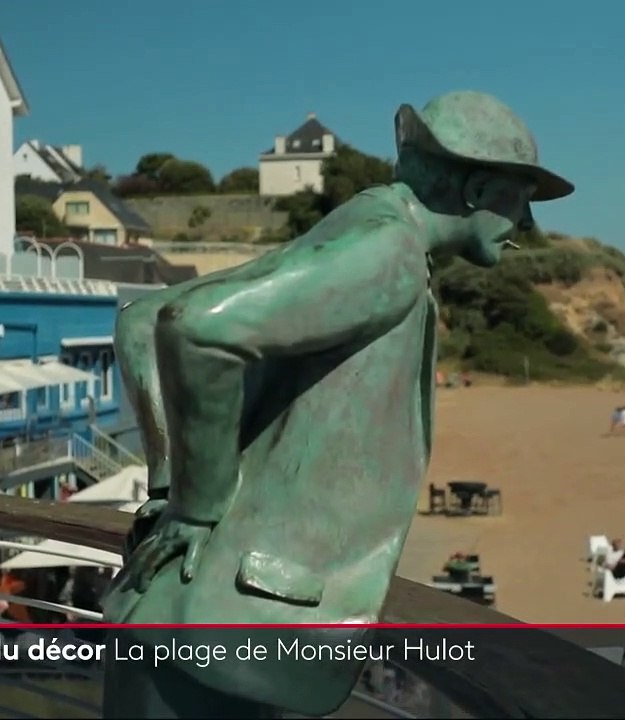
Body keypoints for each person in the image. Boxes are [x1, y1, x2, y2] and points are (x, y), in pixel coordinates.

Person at [100, 91, 575, 717]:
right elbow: (193, 329)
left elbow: (144, 322)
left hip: (189, 619)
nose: (528, 226)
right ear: (477, 188)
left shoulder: (365, 224)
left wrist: (170, 485)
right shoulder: (390, 252)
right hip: (223, 636)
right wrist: (195, 504)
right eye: (521, 200)